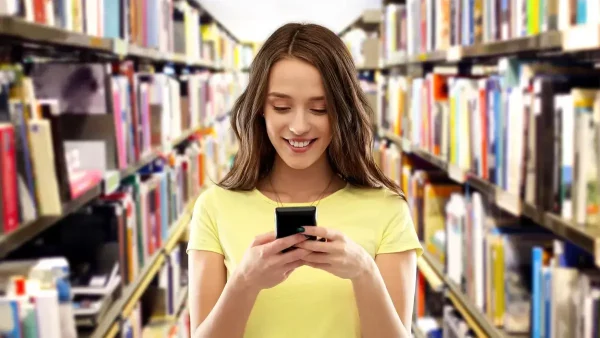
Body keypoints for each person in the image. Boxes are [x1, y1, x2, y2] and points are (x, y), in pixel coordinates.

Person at [187, 22, 422, 338]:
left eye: (319, 109)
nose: (299, 126)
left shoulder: (388, 210)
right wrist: (245, 282)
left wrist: (364, 273)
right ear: (260, 109)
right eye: (282, 107)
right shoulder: (214, 207)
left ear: (342, 111)